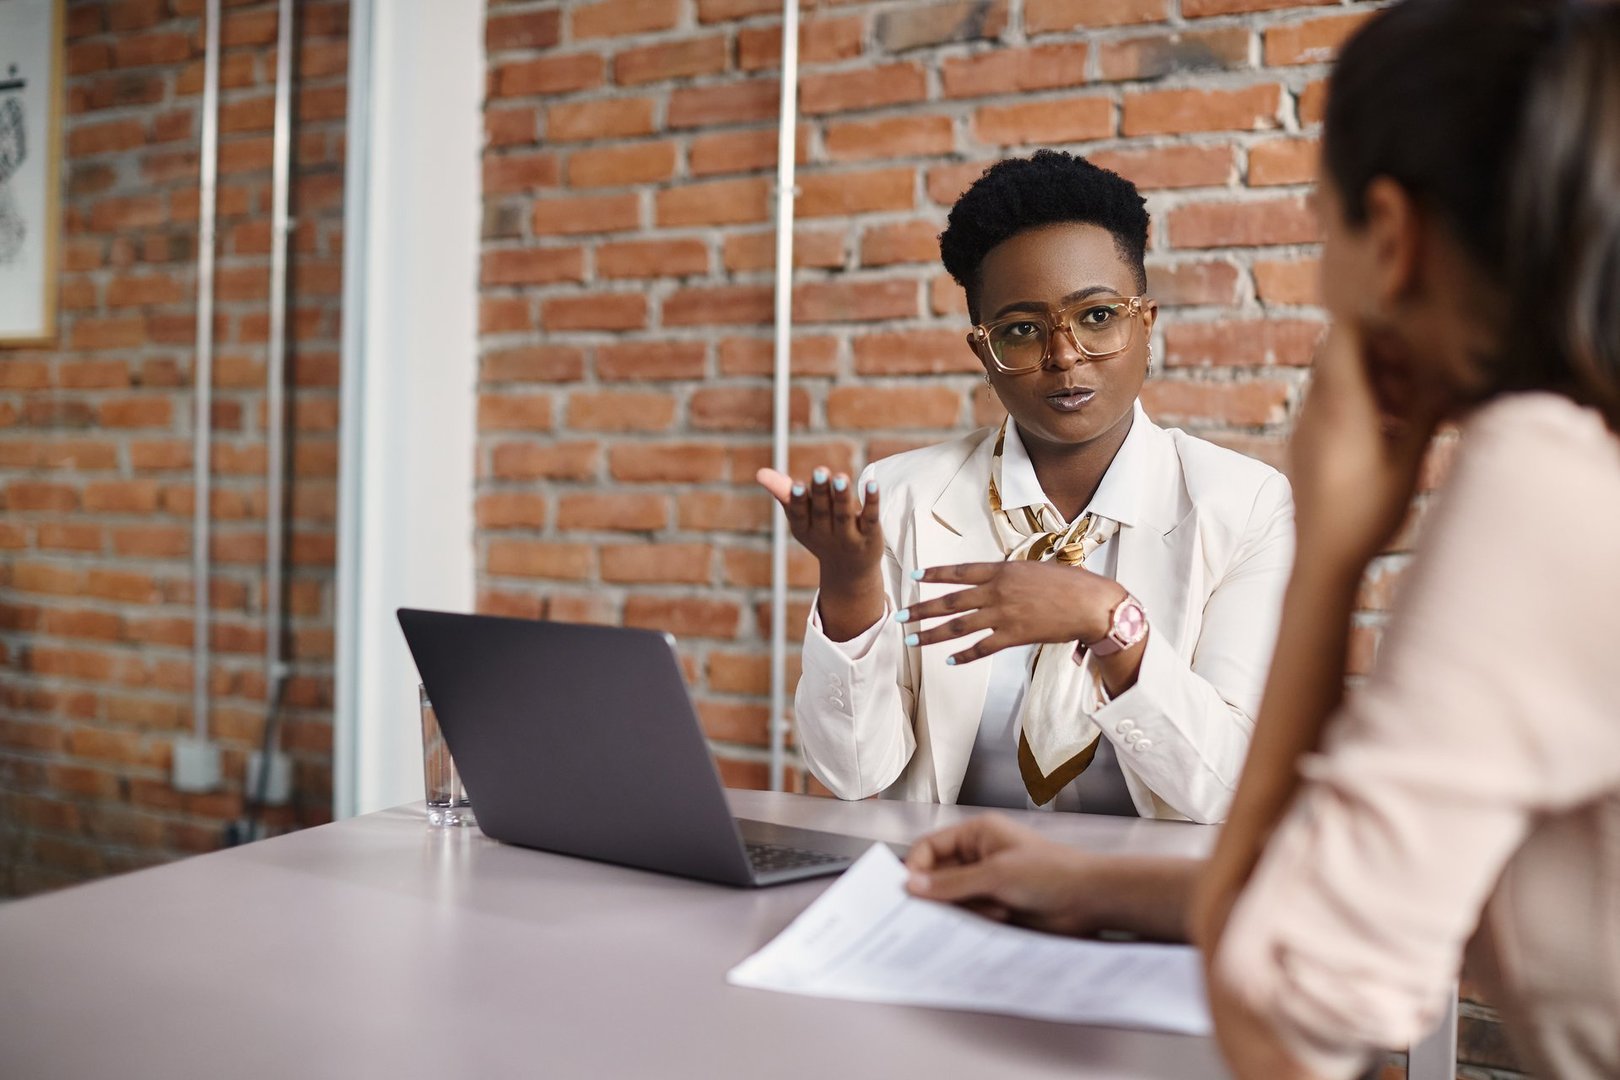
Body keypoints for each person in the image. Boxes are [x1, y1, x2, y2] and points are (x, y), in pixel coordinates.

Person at [901, 2, 1620, 1078]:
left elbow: (1287, 1022)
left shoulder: (1543, 479)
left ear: (1393, 236)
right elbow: (1379, 894)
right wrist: (1087, 880)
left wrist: (1332, 554)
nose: (1064, 356)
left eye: (1318, 223)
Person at [757, 151, 1294, 823]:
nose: (1064, 355)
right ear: (983, 351)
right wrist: (848, 587)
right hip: (952, 886)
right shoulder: (898, 496)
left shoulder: (1243, 505)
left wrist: (1108, 623)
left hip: (1148, 899)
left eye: (1097, 316)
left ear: (1145, 324)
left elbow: (1231, 789)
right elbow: (854, 775)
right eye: (1020, 330)